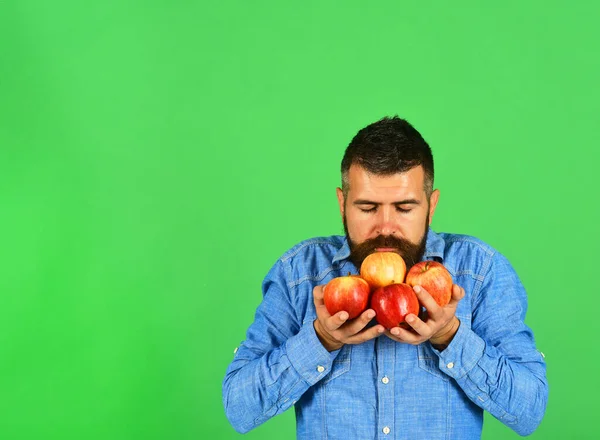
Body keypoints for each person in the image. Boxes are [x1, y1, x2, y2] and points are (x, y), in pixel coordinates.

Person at [222, 116, 548, 439]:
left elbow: (529, 410)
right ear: (342, 204)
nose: (386, 227)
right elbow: (239, 408)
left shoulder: (478, 270)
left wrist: (451, 336)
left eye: (404, 208)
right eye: (367, 208)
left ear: (431, 206)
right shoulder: (299, 273)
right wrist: (320, 339)